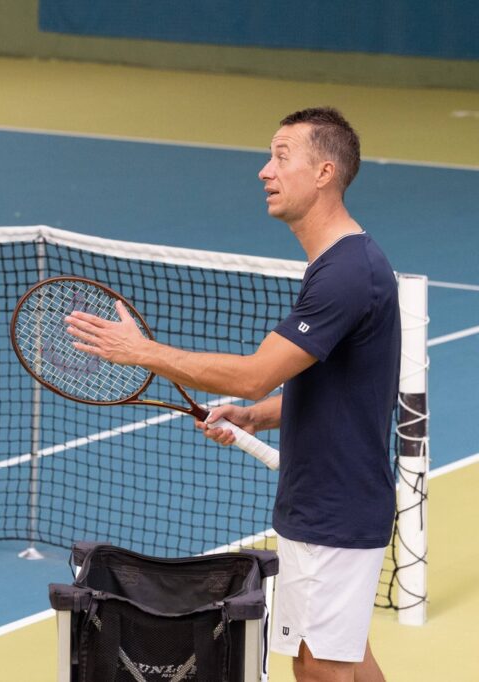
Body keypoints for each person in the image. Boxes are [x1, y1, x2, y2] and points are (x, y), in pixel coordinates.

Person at [65, 107, 397, 682]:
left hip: (335, 509)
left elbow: (254, 372)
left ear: (323, 171)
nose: (265, 171)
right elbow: (327, 390)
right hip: (319, 499)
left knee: (320, 670)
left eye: (281, 156)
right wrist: (254, 417)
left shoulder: (347, 272)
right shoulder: (333, 265)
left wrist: (143, 351)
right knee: (341, 659)